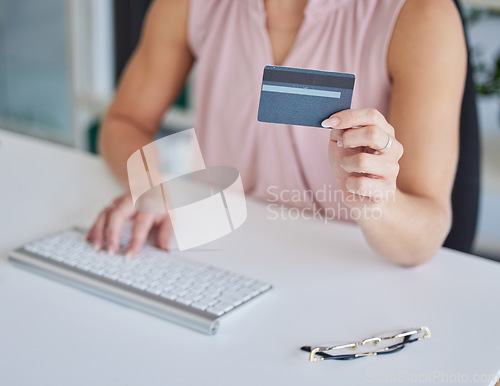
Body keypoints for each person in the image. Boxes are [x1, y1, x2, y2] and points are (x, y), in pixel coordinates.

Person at [87, 0, 466, 266]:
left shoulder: (421, 14)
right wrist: (156, 187)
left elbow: (426, 233)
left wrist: (376, 201)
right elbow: (124, 121)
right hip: (217, 248)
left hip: (347, 264)